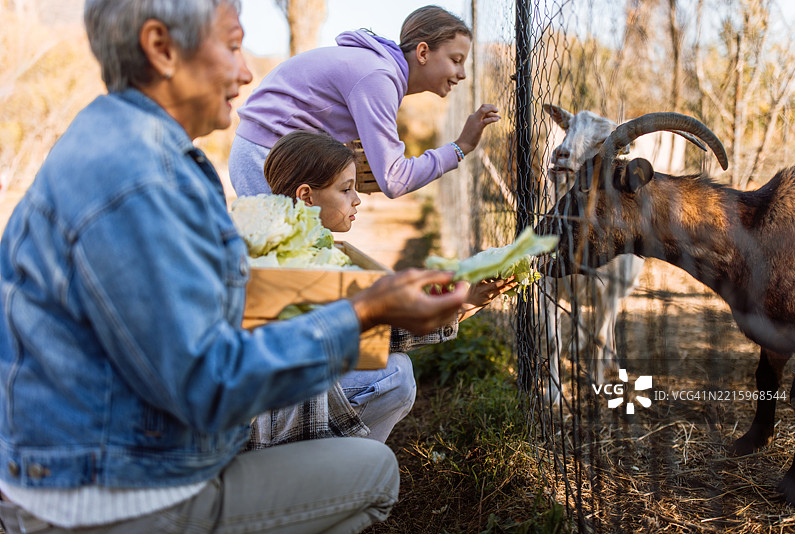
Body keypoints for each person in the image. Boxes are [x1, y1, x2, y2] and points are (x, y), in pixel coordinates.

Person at [0, 2, 471, 533]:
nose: (247, 72)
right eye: (231, 45)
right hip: (104, 492)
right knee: (374, 474)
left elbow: (223, 319)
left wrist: (397, 315)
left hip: (89, 453)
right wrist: (363, 313)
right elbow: (210, 385)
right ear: (161, 48)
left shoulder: (125, 145)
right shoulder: (143, 182)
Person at [247, 130, 516, 449]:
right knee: (395, 375)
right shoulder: (295, 264)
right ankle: (337, 474)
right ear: (306, 196)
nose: (357, 199)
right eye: (346, 189)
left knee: (391, 366)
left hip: (270, 397)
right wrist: (460, 302)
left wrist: (463, 303)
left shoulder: (297, 243)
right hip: (265, 419)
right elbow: (372, 336)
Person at [229, 5, 501, 199]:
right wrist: (460, 147)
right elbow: (395, 180)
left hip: (269, 152)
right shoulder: (379, 78)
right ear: (422, 52)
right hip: (264, 156)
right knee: (284, 266)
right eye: (456, 60)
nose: (463, 74)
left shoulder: (380, 71)